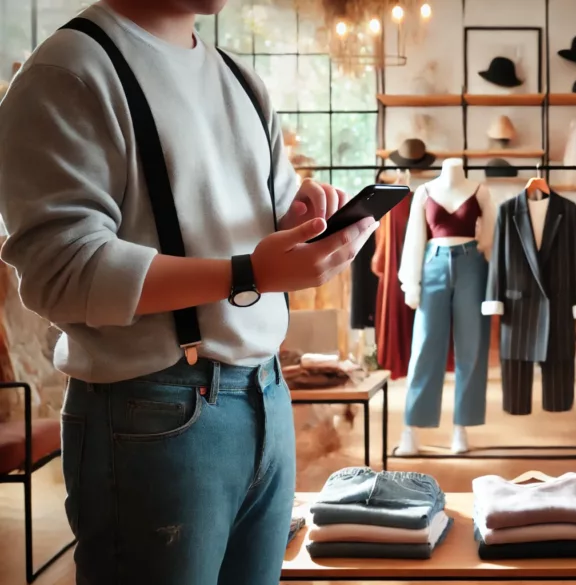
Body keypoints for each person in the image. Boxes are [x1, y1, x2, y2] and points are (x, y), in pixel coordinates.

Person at [0, 1, 377, 584]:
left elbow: (254, 220)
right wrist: (246, 273)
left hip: (267, 396)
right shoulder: (70, 71)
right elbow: (59, 272)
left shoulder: (240, 79)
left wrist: (299, 216)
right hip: (153, 414)